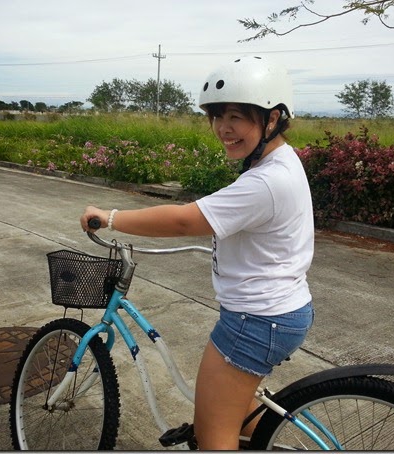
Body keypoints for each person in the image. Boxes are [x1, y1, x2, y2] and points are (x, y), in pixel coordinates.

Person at [80, 55, 315, 450]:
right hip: (282, 310)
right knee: (237, 418)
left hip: (255, 321)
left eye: (237, 116)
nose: (223, 128)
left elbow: (184, 221)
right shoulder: (283, 161)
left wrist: (110, 217)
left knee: (212, 437)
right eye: (217, 116)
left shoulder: (266, 181)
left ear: (272, 118)